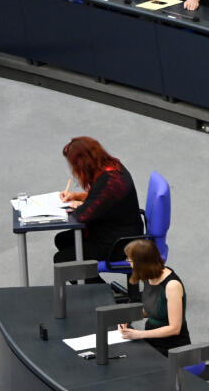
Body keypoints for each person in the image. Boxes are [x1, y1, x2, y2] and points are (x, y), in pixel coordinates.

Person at [54, 136, 142, 265]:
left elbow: (82, 215)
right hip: (118, 228)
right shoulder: (113, 167)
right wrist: (76, 196)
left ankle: (97, 286)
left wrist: (80, 206)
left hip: (118, 242)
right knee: (62, 240)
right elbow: (100, 197)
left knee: (62, 260)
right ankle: (87, 279)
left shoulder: (110, 183)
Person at [117, 238, 191, 356]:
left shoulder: (172, 286)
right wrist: (127, 316)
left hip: (171, 346)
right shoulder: (149, 277)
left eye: (129, 260)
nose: (128, 263)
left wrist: (139, 334)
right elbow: (150, 310)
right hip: (151, 337)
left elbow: (174, 328)